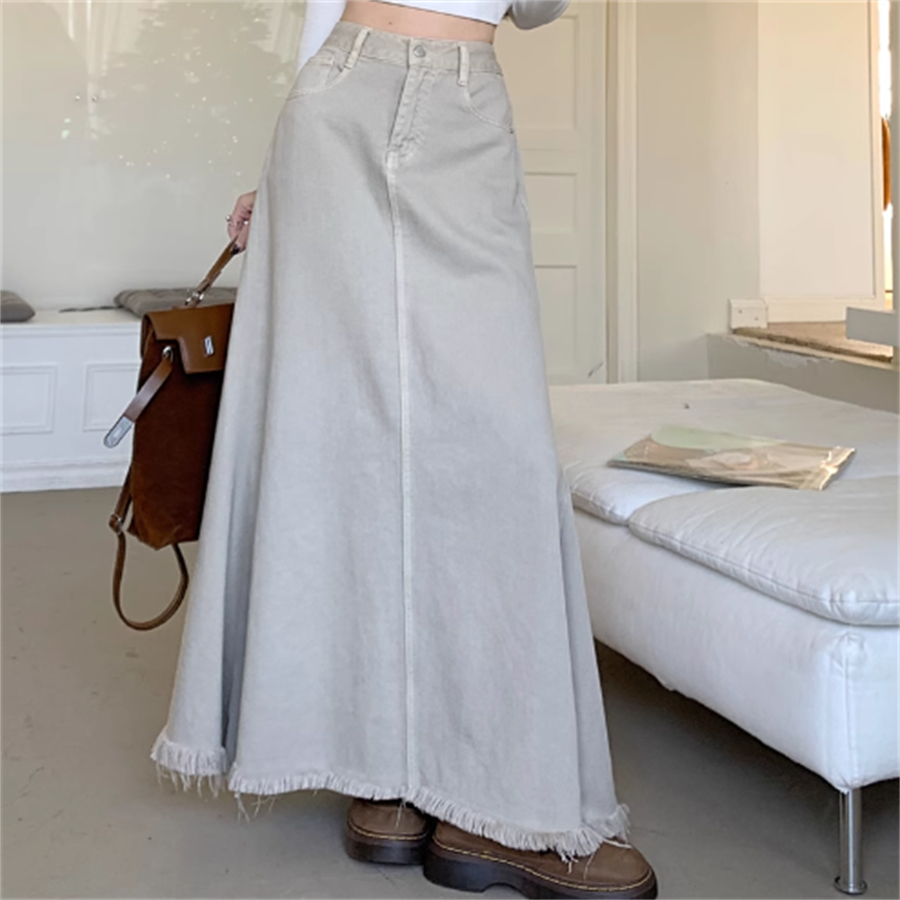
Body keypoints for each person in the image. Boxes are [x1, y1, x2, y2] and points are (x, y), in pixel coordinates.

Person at [152, 2, 657, 898]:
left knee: (493, 447)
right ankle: (382, 764)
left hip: (460, 102)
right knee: (337, 428)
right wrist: (282, 171)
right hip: (336, 96)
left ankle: (492, 796)